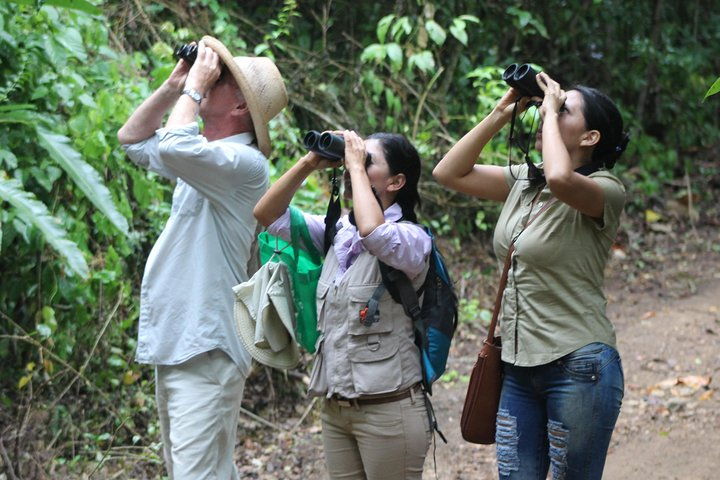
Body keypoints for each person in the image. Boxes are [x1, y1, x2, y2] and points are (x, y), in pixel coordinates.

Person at [434, 71, 629, 479]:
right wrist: (502, 112)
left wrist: (552, 105)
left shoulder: (606, 190)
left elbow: (562, 179)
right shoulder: (526, 180)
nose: (547, 114)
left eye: (563, 111)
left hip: (579, 365)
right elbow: (448, 173)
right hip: (518, 367)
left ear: (590, 137)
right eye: (547, 109)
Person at [117, 36, 287, 479]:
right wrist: (176, 84)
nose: (209, 77)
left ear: (240, 108)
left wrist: (194, 87)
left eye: (220, 78)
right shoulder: (206, 157)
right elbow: (133, 139)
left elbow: (172, 146)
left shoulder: (244, 164)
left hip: (206, 347)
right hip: (182, 342)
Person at [254, 130, 432, 479]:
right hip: (335, 410)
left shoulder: (412, 239)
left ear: (396, 181)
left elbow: (376, 234)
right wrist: (311, 162)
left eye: (368, 162)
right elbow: (266, 213)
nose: (356, 170)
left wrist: (353, 164)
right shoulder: (338, 233)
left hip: (388, 411)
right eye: (356, 162)